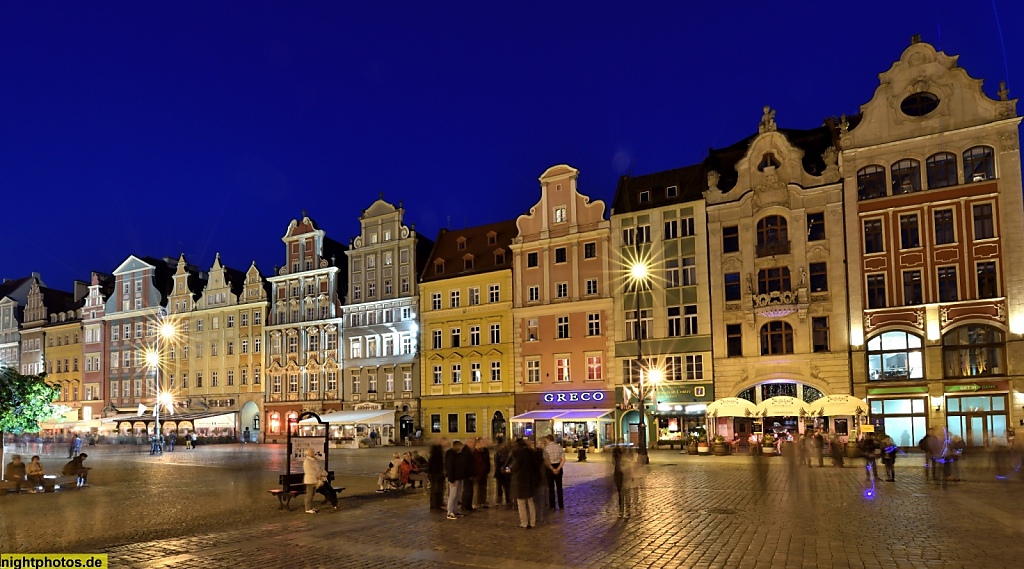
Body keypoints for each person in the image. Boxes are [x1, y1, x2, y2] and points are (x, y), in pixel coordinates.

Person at [509, 438, 537, 529]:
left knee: (521, 502)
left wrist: (509, 469)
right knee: (530, 501)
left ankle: (524, 522)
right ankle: (532, 522)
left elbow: (515, 466)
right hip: (530, 479)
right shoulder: (531, 452)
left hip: (520, 480)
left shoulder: (518, 454)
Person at [302, 448, 338, 513]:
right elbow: (310, 471)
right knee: (309, 495)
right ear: (308, 453)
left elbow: (320, 469)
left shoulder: (315, 460)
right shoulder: (307, 461)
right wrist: (320, 475)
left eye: (313, 451)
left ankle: (310, 507)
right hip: (311, 480)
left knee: (313, 494)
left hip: (318, 480)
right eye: (311, 452)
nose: (313, 453)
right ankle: (308, 508)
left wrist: (324, 473)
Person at [543, 434, 565, 510]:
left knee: (551, 487)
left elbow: (546, 461)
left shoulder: (546, 449)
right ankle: (561, 505)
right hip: (558, 465)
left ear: (548, 440)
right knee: (559, 487)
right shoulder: (559, 447)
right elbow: (563, 459)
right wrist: (558, 468)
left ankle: (552, 506)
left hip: (550, 468)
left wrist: (552, 469)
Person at [444, 440, 465, 519]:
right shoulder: (451, 454)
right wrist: (451, 479)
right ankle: (449, 512)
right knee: (452, 495)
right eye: (460, 446)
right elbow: (450, 467)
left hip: (458, 477)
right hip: (454, 478)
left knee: (457, 495)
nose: (461, 448)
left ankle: (455, 510)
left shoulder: (458, 454)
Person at [493, 436, 512, 507]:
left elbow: (507, 463)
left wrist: (505, 469)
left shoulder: (505, 453)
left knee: (505, 487)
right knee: (502, 487)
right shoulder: (499, 454)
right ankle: (503, 500)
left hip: (503, 473)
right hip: (501, 473)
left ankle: (505, 500)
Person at [473, 437, 491, 509]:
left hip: (484, 472)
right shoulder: (475, 452)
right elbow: (477, 463)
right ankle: (477, 502)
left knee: (483, 488)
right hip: (478, 472)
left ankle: (483, 501)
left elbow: (487, 461)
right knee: (478, 488)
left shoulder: (485, 451)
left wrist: (487, 470)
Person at [428, 441, 446, 510]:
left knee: (439, 489)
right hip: (436, 473)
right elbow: (432, 465)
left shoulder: (437, 455)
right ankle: (435, 505)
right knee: (435, 489)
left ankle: (438, 504)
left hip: (438, 473)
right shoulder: (436, 455)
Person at [460, 438, 476, 512]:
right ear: (469, 442)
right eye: (473, 443)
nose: (474, 444)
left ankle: (468, 506)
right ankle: (465, 506)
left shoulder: (469, 450)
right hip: (467, 475)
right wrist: (469, 474)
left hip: (470, 474)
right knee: (467, 490)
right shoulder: (465, 451)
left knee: (470, 490)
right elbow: (466, 464)